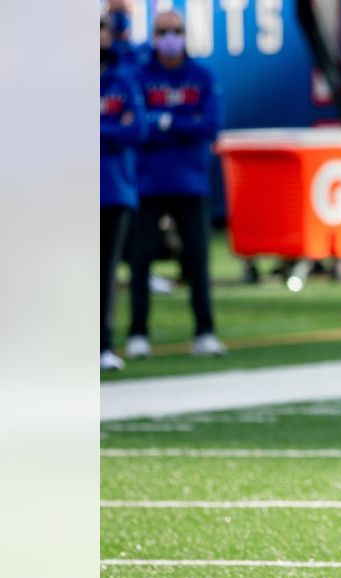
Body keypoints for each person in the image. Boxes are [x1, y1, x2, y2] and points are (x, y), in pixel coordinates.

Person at [127, 9, 226, 359]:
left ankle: (205, 330)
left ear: (185, 34)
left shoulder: (200, 75)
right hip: (148, 182)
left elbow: (210, 124)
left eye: (176, 31)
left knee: (197, 261)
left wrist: (166, 122)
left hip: (190, 181)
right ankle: (137, 332)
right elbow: (137, 128)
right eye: (163, 31)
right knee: (141, 261)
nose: (170, 38)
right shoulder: (139, 75)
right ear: (154, 36)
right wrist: (181, 122)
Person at [101, 14, 146, 371]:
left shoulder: (123, 80)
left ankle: (103, 343)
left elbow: (137, 130)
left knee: (105, 272)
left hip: (113, 188)